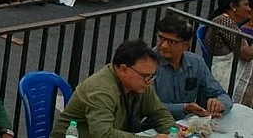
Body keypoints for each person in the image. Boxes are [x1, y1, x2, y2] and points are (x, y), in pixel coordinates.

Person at [50, 40, 180, 138]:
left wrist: (172, 132)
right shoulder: (100, 90)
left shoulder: (141, 84)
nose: (149, 82)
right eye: (146, 76)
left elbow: (159, 113)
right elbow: (103, 133)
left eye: (152, 76)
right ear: (123, 69)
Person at [152, 14, 232, 119]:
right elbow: (148, 108)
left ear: (186, 45)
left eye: (172, 42)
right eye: (161, 38)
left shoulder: (196, 63)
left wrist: (219, 104)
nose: (163, 45)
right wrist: (184, 108)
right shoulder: (147, 64)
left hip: (187, 124)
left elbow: (220, 94)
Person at [204, 0, 253, 105]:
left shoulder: (229, 21)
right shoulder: (223, 21)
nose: (249, 9)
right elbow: (246, 55)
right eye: (245, 5)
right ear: (233, 6)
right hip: (222, 71)